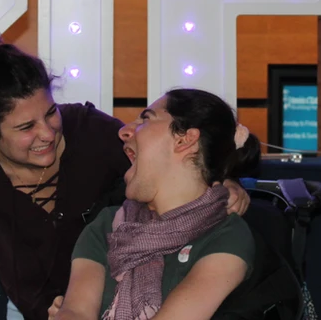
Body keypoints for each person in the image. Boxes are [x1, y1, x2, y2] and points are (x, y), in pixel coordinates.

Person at [0, 19, 249, 320]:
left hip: (111, 285)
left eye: (51, 113)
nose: (48, 133)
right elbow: (22, 281)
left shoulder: (90, 132)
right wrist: (64, 310)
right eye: (27, 127)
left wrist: (224, 180)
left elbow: (166, 167)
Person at [56, 88, 262, 320]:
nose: (124, 131)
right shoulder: (108, 225)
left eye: (146, 118)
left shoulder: (226, 236)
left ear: (185, 139)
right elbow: (76, 312)